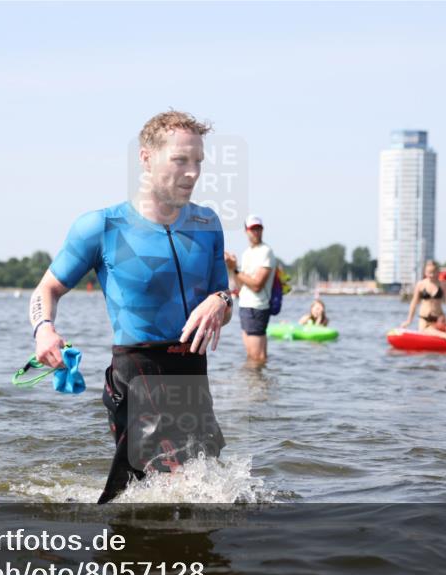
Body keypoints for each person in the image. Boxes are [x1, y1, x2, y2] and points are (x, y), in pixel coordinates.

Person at [27, 110, 232, 504]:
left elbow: (223, 307)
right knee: (171, 490)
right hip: (138, 372)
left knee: (198, 487)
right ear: (146, 158)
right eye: (180, 160)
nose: (192, 173)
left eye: (198, 163)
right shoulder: (102, 226)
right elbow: (46, 289)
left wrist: (220, 299)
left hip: (192, 373)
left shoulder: (208, 224)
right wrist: (44, 330)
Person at [224, 215, 276, 363]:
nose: (256, 232)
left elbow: (257, 285)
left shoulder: (266, 251)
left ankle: (257, 385)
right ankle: (253, 384)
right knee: (252, 356)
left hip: (257, 307)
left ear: (262, 230)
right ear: (246, 231)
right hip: (246, 305)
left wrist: (235, 270)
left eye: (258, 228)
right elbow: (241, 286)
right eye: (253, 229)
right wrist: (232, 269)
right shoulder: (247, 253)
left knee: (257, 357)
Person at [401, 259, 446, 344]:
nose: (432, 275)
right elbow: (414, 303)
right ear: (425, 272)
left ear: (438, 272)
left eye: (434, 272)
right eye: (429, 272)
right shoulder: (420, 284)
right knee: (427, 330)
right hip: (425, 319)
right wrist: (409, 320)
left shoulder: (442, 285)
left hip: (439, 318)